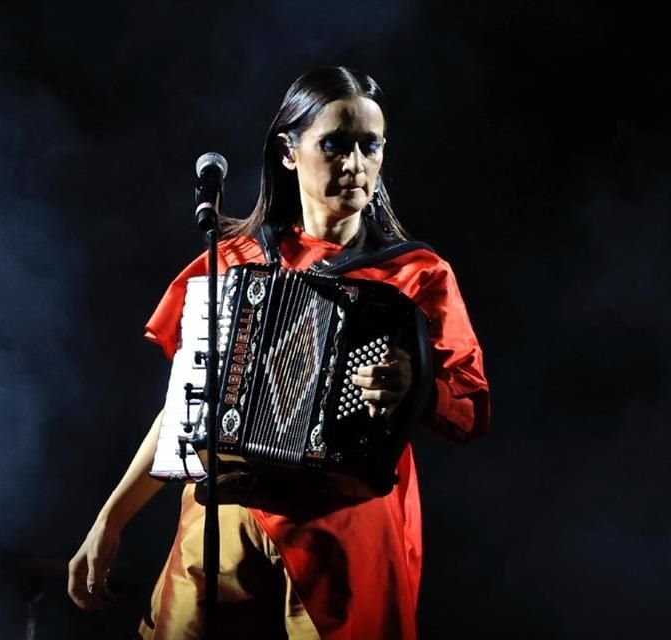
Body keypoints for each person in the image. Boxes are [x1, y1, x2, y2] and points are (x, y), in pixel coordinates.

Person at [67, 66, 490, 639]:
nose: (355, 164)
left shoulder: (417, 275)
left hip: (344, 533)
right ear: (290, 152)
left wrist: (415, 387)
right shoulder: (236, 257)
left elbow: (469, 409)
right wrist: (110, 519)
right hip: (223, 520)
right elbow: (186, 410)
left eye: (371, 146)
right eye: (335, 144)